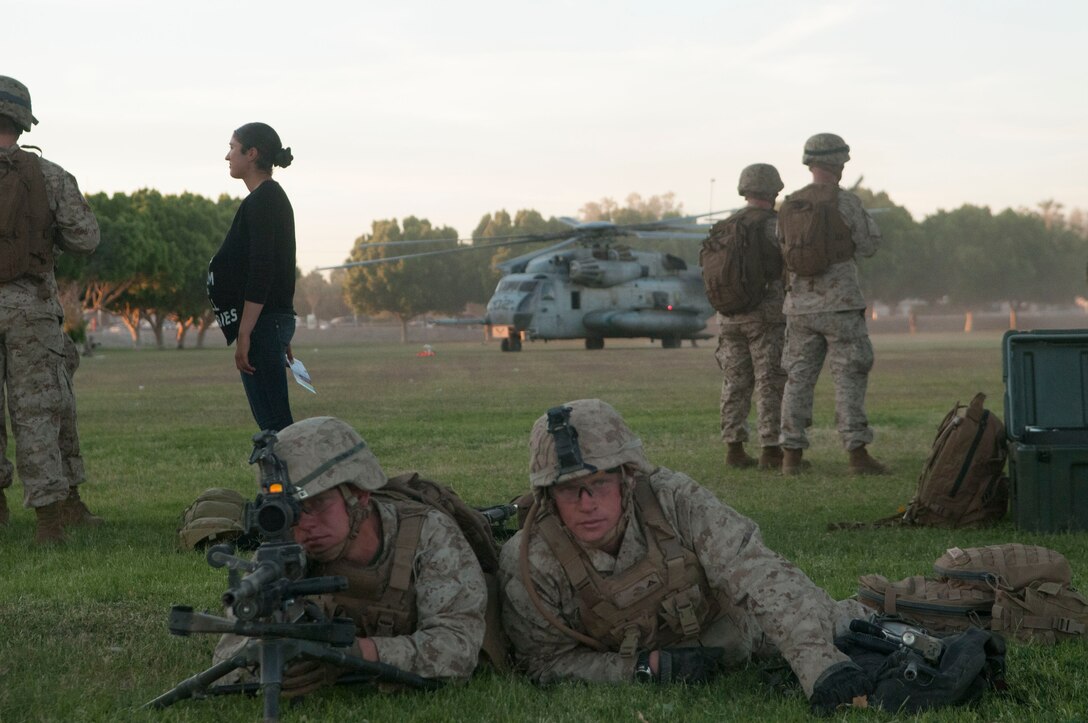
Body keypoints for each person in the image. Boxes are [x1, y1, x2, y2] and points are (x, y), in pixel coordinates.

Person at [499, 399, 873, 715]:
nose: (587, 504)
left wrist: (818, 665)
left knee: (857, 627)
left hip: (738, 631)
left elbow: (757, 571)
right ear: (548, 496)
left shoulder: (672, 500)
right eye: (570, 491)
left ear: (627, 478)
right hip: (641, 656)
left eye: (598, 484)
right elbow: (544, 662)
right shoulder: (530, 560)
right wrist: (644, 669)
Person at [213, 416, 487, 692]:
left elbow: (458, 650)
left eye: (317, 503)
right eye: (291, 511)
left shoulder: (428, 534)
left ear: (360, 494)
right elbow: (226, 659)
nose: (304, 525)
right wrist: (270, 659)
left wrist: (354, 655)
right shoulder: (281, 554)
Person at [0, 76, 100, 544]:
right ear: (22, 121)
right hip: (30, 309)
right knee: (38, 412)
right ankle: (49, 522)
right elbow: (86, 238)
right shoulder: (50, 175)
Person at [777, 133, 887, 475]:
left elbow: (781, 249)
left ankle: (791, 457)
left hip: (799, 307)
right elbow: (868, 246)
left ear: (809, 163)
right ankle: (857, 454)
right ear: (839, 164)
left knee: (797, 379)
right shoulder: (846, 201)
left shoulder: (790, 204)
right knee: (849, 375)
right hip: (840, 305)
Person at [207, 122, 297, 432]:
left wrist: (246, 333)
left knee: (275, 427)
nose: (227, 156)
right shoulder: (267, 199)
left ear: (252, 153)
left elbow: (263, 270)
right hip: (270, 323)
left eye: (233, 147)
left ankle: (290, 482)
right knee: (274, 421)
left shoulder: (264, 200)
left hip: (263, 324)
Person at [712, 164, 787, 470]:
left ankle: (734, 448)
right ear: (774, 190)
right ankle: (771, 450)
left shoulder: (724, 227)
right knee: (769, 381)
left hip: (728, 315)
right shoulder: (775, 226)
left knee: (735, 382)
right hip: (765, 315)